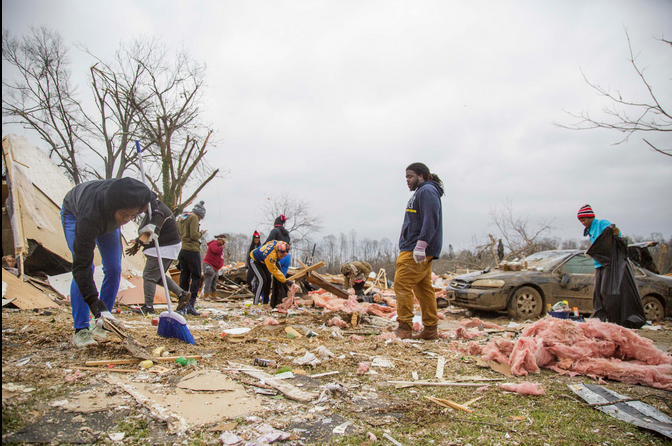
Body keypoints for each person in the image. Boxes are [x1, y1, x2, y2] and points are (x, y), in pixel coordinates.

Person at [61, 177, 160, 348]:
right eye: (124, 214)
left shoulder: (142, 196)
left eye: (133, 215)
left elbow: (158, 208)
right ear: (113, 207)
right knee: (88, 267)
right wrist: (94, 303)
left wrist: (154, 222)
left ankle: (104, 322)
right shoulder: (89, 217)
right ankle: (81, 329)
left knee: (114, 268)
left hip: (108, 223)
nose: (128, 219)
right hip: (75, 215)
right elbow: (80, 267)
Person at [393, 162, 444, 340]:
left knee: (401, 284)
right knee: (423, 288)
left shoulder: (427, 191)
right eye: (406, 177)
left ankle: (404, 327)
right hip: (416, 247)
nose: (407, 180)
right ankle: (430, 329)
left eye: (410, 177)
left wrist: (421, 245)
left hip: (415, 248)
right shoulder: (422, 192)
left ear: (421, 176)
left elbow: (431, 218)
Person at [578, 204, 646, 328]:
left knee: (606, 292)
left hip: (609, 263)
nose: (582, 222)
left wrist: (614, 231)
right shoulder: (589, 230)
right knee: (597, 293)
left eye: (584, 219)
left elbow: (614, 231)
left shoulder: (600, 223)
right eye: (580, 221)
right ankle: (599, 319)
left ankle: (613, 319)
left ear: (590, 217)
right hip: (599, 264)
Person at [125, 195, 190, 314]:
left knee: (149, 275)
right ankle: (182, 294)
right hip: (168, 246)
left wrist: (139, 241)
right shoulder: (156, 208)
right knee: (158, 276)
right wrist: (138, 241)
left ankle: (148, 308)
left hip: (165, 247)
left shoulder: (157, 211)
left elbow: (153, 229)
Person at [177, 200, 207, 316]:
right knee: (196, 276)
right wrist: (201, 233)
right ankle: (191, 304)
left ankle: (182, 304)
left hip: (183, 249)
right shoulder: (194, 218)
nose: (200, 220)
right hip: (192, 250)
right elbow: (194, 235)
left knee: (184, 276)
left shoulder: (182, 218)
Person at [249, 240, 294, 306]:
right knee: (262, 281)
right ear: (278, 251)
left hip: (264, 261)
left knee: (268, 280)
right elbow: (274, 270)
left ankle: (265, 303)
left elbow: (269, 242)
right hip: (255, 261)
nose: (281, 258)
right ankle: (255, 304)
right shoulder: (271, 256)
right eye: (281, 256)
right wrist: (285, 280)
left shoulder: (277, 243)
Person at [265, 215, 291, 307]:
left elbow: (268, 243)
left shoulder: (275, 231)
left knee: (272, 278)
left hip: (278, 256)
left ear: (275, 224)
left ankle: (269, 299)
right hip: (287, 256)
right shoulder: (286, 233)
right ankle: (282, 299)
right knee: (282, 279)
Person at [202, 234, 227, 299]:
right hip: (209, 264)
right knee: (209, 277)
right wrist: (221, 248)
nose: (224, 243)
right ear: (220, 240)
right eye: (223, 241)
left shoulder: (219, 246)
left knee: (214, 279)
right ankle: (206, 294)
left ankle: (213, 294)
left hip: (215, 266)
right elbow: (215, 251)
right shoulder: (214, 244)